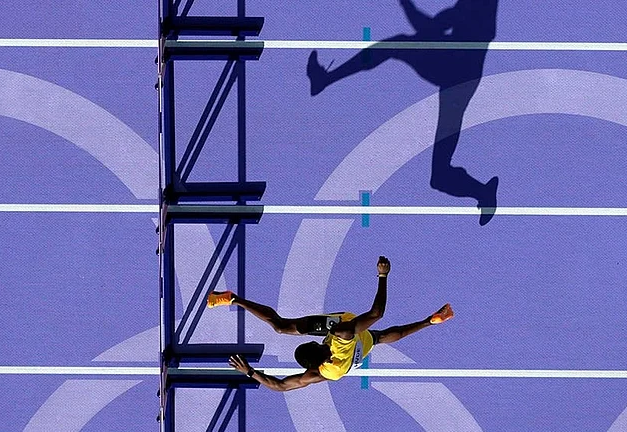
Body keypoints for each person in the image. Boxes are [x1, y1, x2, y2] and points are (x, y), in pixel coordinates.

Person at [307, 0, 500, 225]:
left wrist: (406, 4)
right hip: (459, 77)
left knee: (396, 44)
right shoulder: (473, 10)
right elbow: (432, 28)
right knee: (439, 177)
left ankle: (326, 79)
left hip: (456, 70)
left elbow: (429, 29)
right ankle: (482, 193)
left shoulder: (478, 10)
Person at [207, 256, 454, 391]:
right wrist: (383, 275)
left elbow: (281, 386)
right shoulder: (340, 334)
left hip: (360, 351)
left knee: (379, 337)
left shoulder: (322, 374)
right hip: (346, 331)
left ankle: (430, 322)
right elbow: (377, 313)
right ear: (317, 345)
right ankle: (232, 298)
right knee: (282, 326)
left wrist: (250, 372)